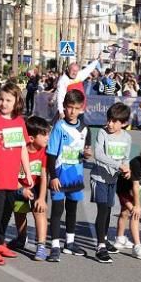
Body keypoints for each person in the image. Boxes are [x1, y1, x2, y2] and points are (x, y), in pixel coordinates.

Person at [0, 82, 32, 266]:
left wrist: (27, 173)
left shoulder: (19, 121)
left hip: (12, 178)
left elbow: (23, 149)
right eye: (1, 99)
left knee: (6, 212)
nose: (3, 103)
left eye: (8, 100)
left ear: (17, 101)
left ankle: (0, 241)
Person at [45, 89, 90, 261]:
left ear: (81, 108)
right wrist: (53, 176)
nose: (72, 111)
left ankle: (69, 242)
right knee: (57, 211)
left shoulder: (85, 129)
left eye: (76, 108)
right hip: (59, 176)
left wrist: (87, 154)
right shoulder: (59, 127)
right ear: (64, 107)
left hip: (75, 177)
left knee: (72, 210)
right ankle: (55, 245)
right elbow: (51, 154)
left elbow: (85, 151)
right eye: (69, 107)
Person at [88, 103, 132, 263]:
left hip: (113, 179)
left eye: (114, 121)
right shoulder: (102, 133)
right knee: (102, 211)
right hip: (99, 178)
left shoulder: (127, 137)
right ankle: (100, 246)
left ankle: (104, 238)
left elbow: (125, 158)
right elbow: (98, 155)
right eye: (109, 120)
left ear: (124, 123)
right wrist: (118, 165)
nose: (110, 124)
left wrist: (126, 169)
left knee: (108, 209)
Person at [14, 116, 50, 260]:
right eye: (44, 134)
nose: (48, 137)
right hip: (18, 186)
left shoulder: (44, 151)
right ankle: (21, 239)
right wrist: (21, 189)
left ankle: (41, 246)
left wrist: (41, 198)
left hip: (35, 187)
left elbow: (43, 176)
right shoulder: (18, 152)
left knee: (39, 211)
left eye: (48, 134)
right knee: (20, 213)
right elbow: (11, 174)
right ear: (31, 138)